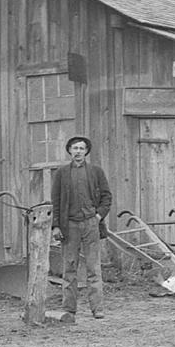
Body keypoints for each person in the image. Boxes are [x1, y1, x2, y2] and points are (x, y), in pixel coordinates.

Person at [50, 136, 113, 321]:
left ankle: (97, 309)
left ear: (86, 151)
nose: (78, 151)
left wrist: (98, 216)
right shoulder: (62, 174)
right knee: (69, 268)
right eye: (75, 148)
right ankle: (69, 309)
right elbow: (55, 201)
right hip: (69, 226)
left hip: (90, 225)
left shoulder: (96, 172)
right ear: (69, 151)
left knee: (94, 268)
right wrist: (56, 226)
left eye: (81, 148)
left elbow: (106, 197)